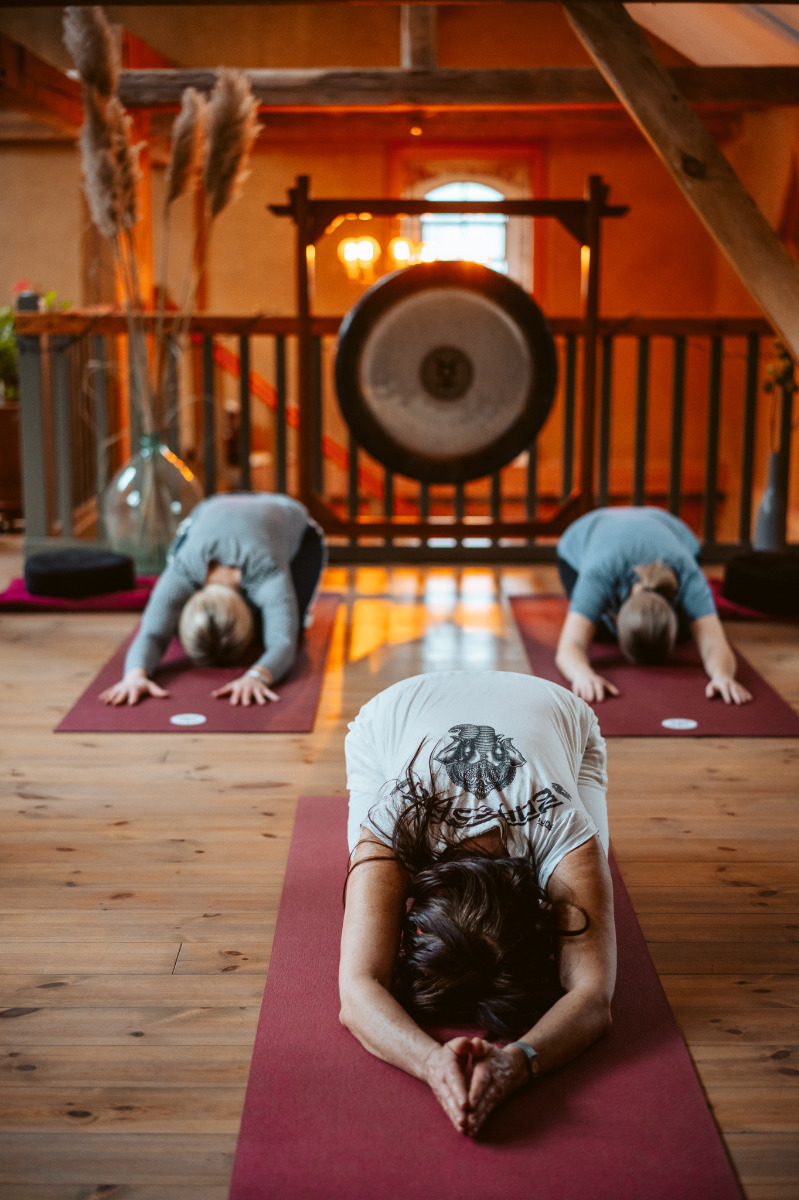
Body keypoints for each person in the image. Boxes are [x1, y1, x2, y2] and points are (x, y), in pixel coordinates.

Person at [339, 670, 616, 1138]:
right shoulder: (391, 821)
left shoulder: (564, 830)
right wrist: (429, 1063)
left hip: (556, 708)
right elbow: (356, 992)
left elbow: (593, 998)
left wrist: (518, 1064)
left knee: (595, 863)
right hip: (393, 712)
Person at [99, 492, 326, 707]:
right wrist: (135, 675)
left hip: (288, 515)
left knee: (287, 628)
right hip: (214, 505)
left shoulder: (266, 572)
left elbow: (282, 642)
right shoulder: (184, 567)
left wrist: (258, 676)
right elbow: (152, 632)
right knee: (174, 620)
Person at [554, 506, 752, 705]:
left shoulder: (686, 570)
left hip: (668, 527)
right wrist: (582, 674)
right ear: (617, 618)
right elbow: (569, 647)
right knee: (599, 632)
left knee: (684, 633)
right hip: (584, 535)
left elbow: (714, 642)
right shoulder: (599, 572)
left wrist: (722, 676)